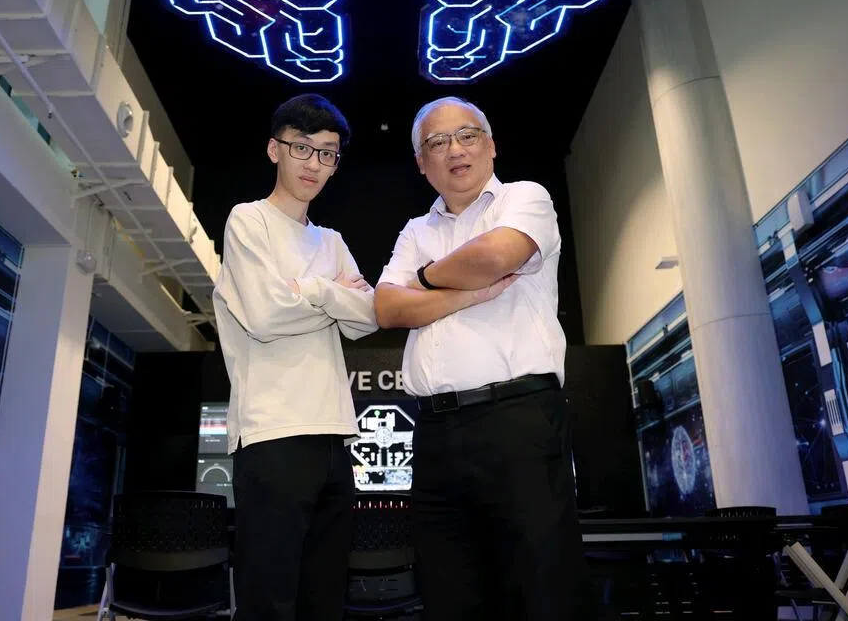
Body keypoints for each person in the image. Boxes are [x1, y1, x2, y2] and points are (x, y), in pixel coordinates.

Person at [374, 96, 584, 621]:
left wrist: (423, 279)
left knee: (539, 586)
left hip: (517, 419)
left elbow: (496, 256)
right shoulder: (414, 231)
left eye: (467, 136)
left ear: (490, 146)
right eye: (437, 142)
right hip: (435, 432)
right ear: (422, 164)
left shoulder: (524, 198)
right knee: (449, 589)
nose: (455, 150)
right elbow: (387, 307)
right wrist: (468, 292)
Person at [212, 93, 378, 621]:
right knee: (269, 601)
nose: (314, 164)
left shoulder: (331, 240)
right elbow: (264, 315)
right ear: (273, 150)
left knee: (324, 600)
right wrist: (334, 292)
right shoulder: (248, 221)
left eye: (327, 153)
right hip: (271, 434)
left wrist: (312, 291)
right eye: (302, 148)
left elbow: (367, 318)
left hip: (335, 434)